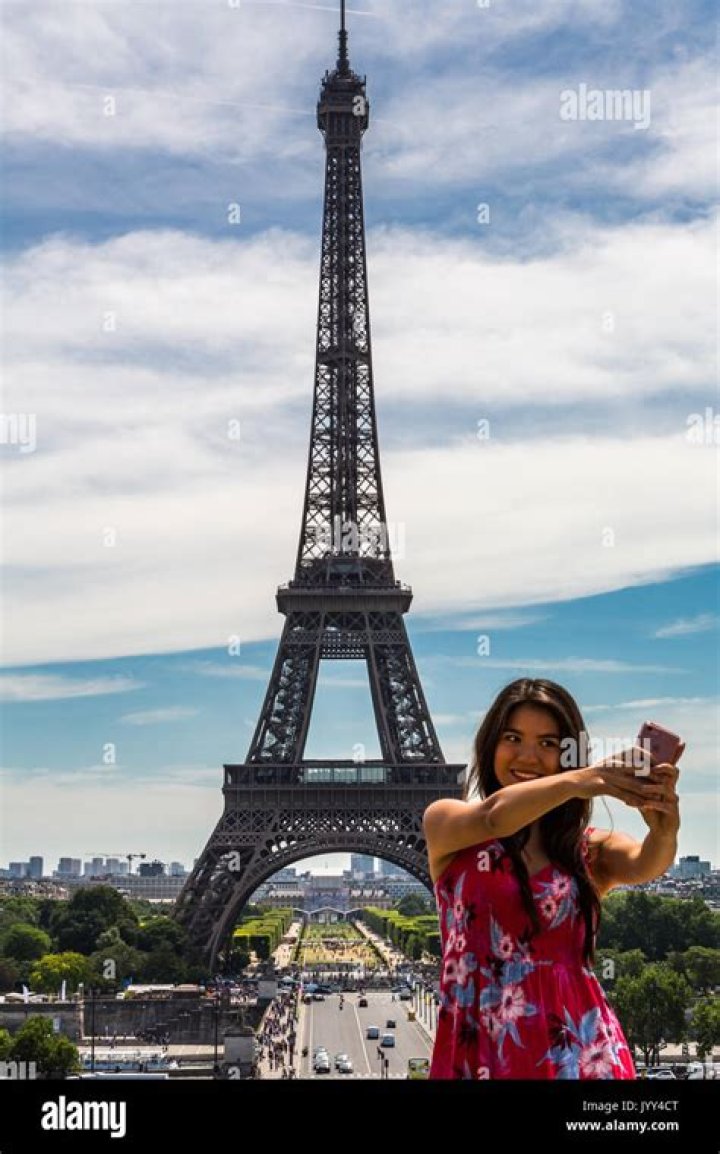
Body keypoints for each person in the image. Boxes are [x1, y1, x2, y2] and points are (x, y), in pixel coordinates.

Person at [423, 678, 682, 1080]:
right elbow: (495, 817)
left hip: (579, 1054)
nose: (528, 756)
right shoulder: (448, 823)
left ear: (567, 755)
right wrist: (586, 779)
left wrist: (664, 830)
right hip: (485, 1054)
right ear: (491, 743)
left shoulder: (587, 851)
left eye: (548, 744)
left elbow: (647, 862)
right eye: (513, 737)